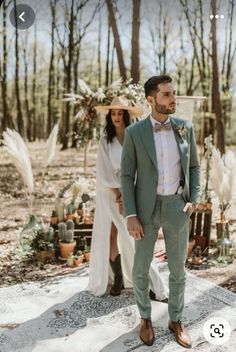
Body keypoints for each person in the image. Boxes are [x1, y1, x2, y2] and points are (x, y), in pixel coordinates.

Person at [121, 75, 200, 348]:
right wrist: (131, 214)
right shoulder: (134, 133)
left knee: (178, 270)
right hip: (145, 210)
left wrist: (194, 199)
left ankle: (176, 319)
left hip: (178, 207)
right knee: (141, 268)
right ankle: (145, 318)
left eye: (173, 93)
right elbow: (127, 175)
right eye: (166, 95)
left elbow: (194, 168)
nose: (173, 99)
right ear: (151, 100)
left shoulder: (185, 127)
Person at [88, 96, 169, 302]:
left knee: (135, 237)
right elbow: (104, 171)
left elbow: (142, 165)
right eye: (113, 113)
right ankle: (117, 279)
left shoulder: (135, 136)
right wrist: (118, 195)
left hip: (132, 191)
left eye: (120, 113)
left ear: (125, 116)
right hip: (110, 193)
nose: (116, 117)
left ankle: (153, 284)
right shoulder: (105, 140)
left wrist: (132, 193)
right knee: (111, 233)